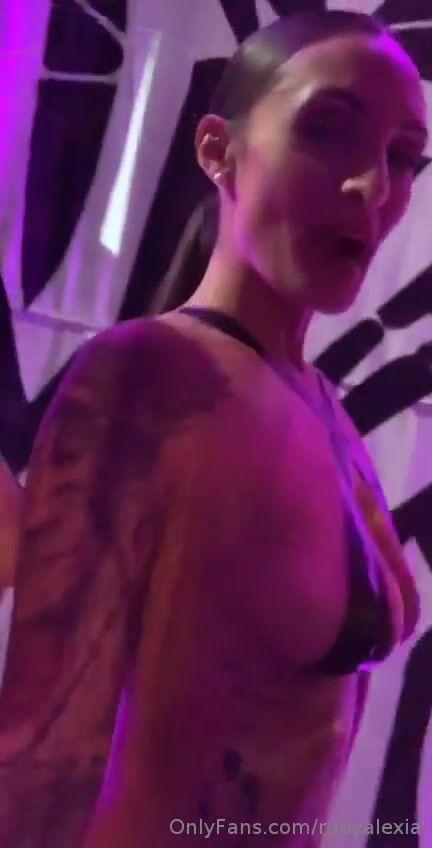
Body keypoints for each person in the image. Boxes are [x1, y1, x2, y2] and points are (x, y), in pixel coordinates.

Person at [0, 9, 426, 847]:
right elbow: (43, 751)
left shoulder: (321, 406)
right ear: (217, 150)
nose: (373, 186)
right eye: (328, 129)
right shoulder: (146, 380)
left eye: (404, 156)